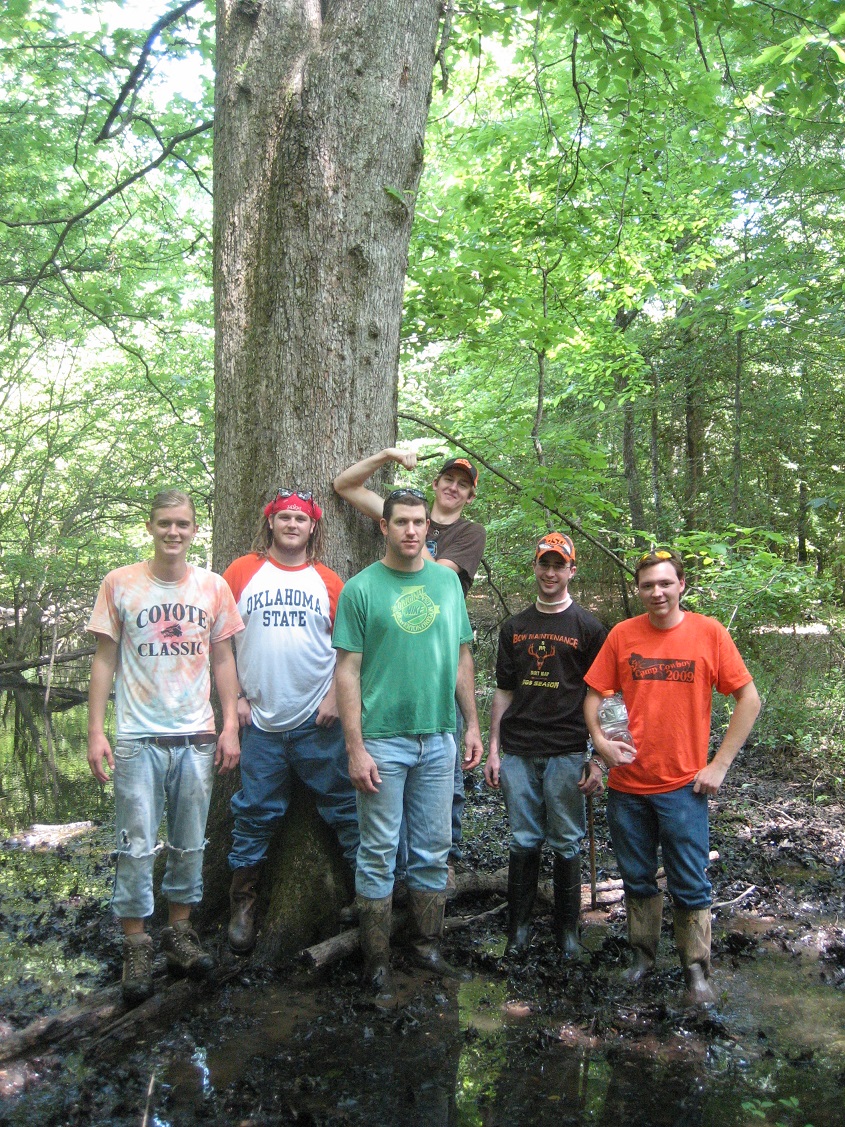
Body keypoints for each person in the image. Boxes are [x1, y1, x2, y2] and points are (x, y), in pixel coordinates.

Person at [583, 548, 761, 1004]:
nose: (657, 592)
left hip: (684, 786)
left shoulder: (708, 633)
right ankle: (643, 958)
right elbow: (593, 695)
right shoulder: (623, 635)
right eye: (648, 585)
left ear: (682, 584)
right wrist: (601, 745)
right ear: (638, 590)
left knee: (690, 882)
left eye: (665, 583)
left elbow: (749, 699)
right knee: (637, 877)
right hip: (627, 787)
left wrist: (718, 765)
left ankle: (696, 970)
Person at [87, 489, 244, 1005]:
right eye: (164, 523)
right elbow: (105, 661)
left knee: (190, 840)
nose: (173, 532)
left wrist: (229, 726)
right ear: (150, 527)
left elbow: (223, 660)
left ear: (194, 529)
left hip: (196, 735)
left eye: (182, 524)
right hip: (137, 737)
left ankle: (179, 934)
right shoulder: (120, 584)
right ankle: (136, 944)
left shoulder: (213, 587)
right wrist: (95, 731)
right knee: (134, 844)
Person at [332, 488, 484, 1005]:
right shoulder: (360, 589)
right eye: (402, 522)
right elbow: (346, 672)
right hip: (382, 740)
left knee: (432, 849)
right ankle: (376, 964)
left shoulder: (446, 582)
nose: (412, 531)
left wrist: (472, 725)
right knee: (377, 852)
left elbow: (462, 656)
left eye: (420, 522)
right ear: (385, 527)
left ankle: (426, 946)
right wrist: (354, 747)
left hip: (439, 738)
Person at [333, 449, 486, 881]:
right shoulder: (400, 515)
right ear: (437, 483)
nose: (454, 487)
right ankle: (394, 891)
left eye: (463, 484)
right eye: (448, 480)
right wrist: (388, 456)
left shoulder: (467, 534)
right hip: (383, 717)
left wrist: (407, 527)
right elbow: (344, 486)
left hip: (435, 699)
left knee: (442, 805)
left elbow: (439, 579)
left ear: (470, 495)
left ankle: (438, 876)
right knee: (381, 838)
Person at [221, 489, 358, 953]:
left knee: (345, 807)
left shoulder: (328, 580)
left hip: (318, 722)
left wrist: (338, 699)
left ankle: (368, 897)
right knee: (254, 812)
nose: (292, 524)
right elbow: (217, 643)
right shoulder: (241, 572)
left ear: (313, 526)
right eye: (284, 517)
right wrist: (235, 697)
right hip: (258, 722)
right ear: (271, 523)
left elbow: (351, 651)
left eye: (301, 518)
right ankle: (243, 903)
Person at [484, 533, 607, 957]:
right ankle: (518, 930)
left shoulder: (589, 628)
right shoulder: (514, 627)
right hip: (518, 749)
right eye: (544, 564)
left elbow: (604, 697)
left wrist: (598, 757)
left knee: (567, 840)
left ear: (572, 570)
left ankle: (566, 931)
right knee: (523, 839)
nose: (551, 572)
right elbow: (503, 691)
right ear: (534, 568)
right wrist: (494, 748)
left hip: (568, 749)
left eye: (559, 565)